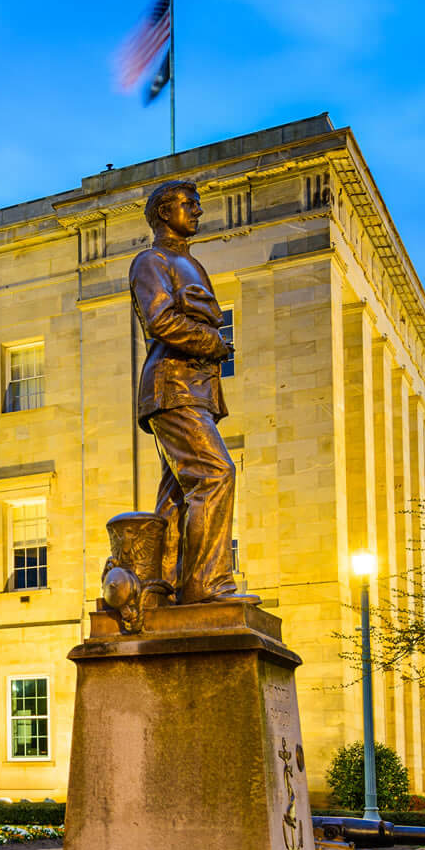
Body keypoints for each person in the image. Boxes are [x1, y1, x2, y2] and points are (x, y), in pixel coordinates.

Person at [130, 180, 244, 604]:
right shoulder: (152, 261)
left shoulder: (189, 263)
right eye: (188, 204)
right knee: (215, 474)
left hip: (197, 390)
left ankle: (161, 584)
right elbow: (160, 321)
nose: (197, 211)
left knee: (178, 493)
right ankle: (207, 585)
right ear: (164, 212)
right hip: (172, 386)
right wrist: (212, 343)